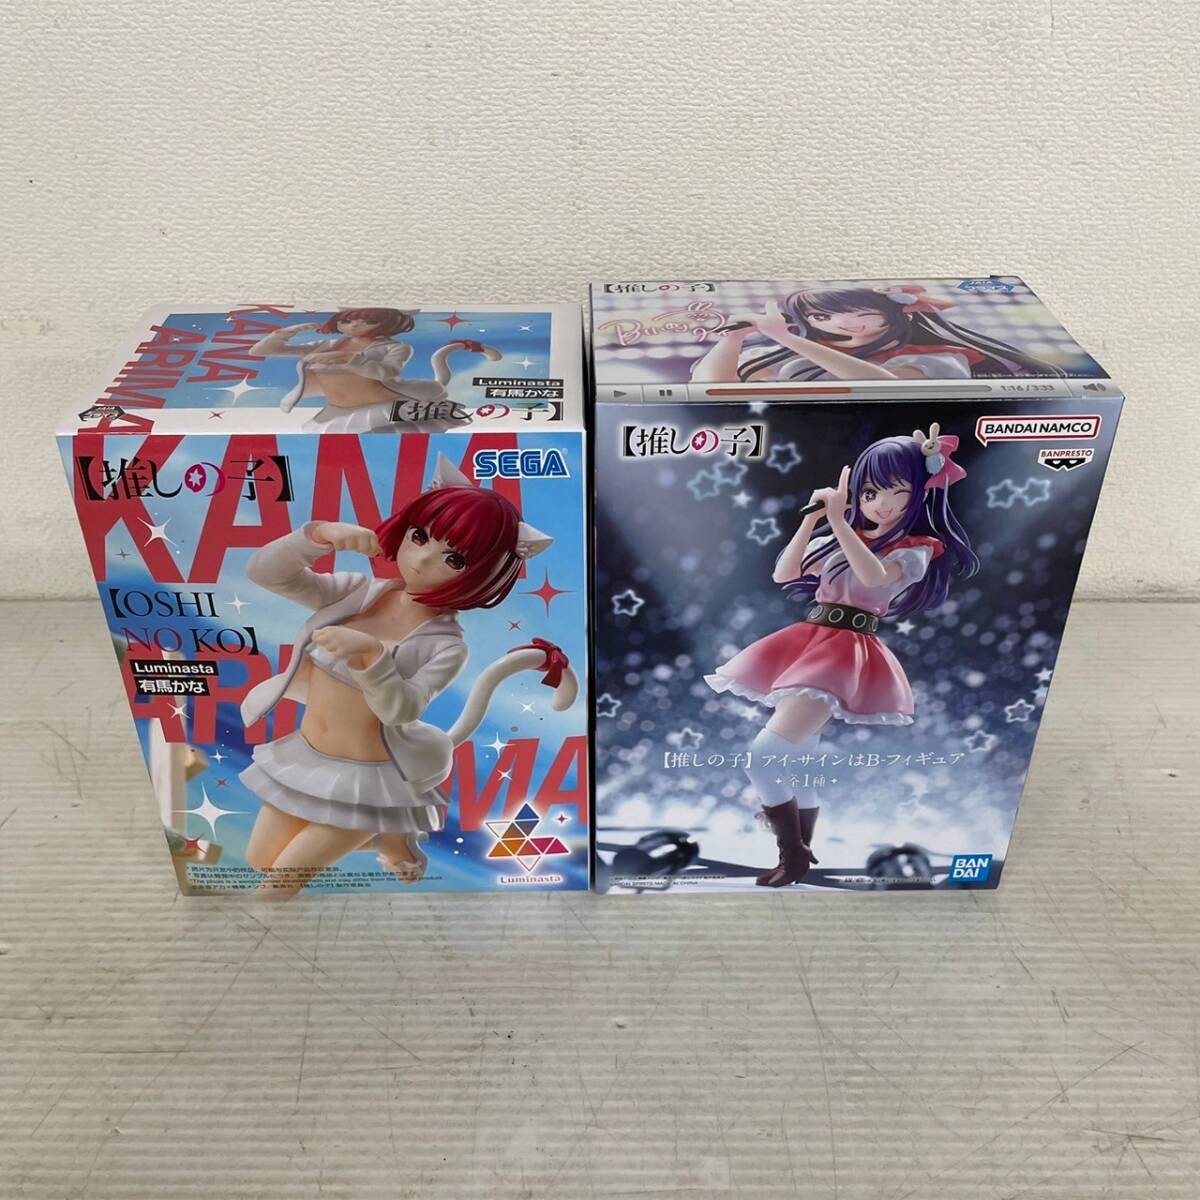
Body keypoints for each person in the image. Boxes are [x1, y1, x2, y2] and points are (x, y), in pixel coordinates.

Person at [239, 453, 577, 896]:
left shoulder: (446, 645)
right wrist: (318, 535)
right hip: (308, 758)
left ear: (486, 574)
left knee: (277, 886)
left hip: (368, 783)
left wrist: (372, 656)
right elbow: (266, 574)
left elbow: (401, 709)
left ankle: (384, 823)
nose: (422, 559)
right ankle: (391, 836)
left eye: (454, 559)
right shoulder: (357, 593)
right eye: (420, 536)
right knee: (258, 861)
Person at [706, 425, 978, 886]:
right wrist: (813, 520)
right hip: (809, 639)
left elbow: (872, 577)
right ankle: (797, 856)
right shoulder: (840, 535)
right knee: (800, 764)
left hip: (845, 651)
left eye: (898, 491)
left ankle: (793, 854)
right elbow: (784, 572)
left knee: (763, 756)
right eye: (870, 492)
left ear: (919, 493)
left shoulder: (916, 548)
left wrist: (838, 522)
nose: (882, 504)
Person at [691, 284, 1066, 383]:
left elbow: (884, 385)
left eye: (862, 313)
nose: (844, 324)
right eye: (823, 317)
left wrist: (789, 339)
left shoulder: (938, 357)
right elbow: (709, 388)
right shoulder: (788, 355)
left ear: (894, 313)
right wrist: (733, 338)